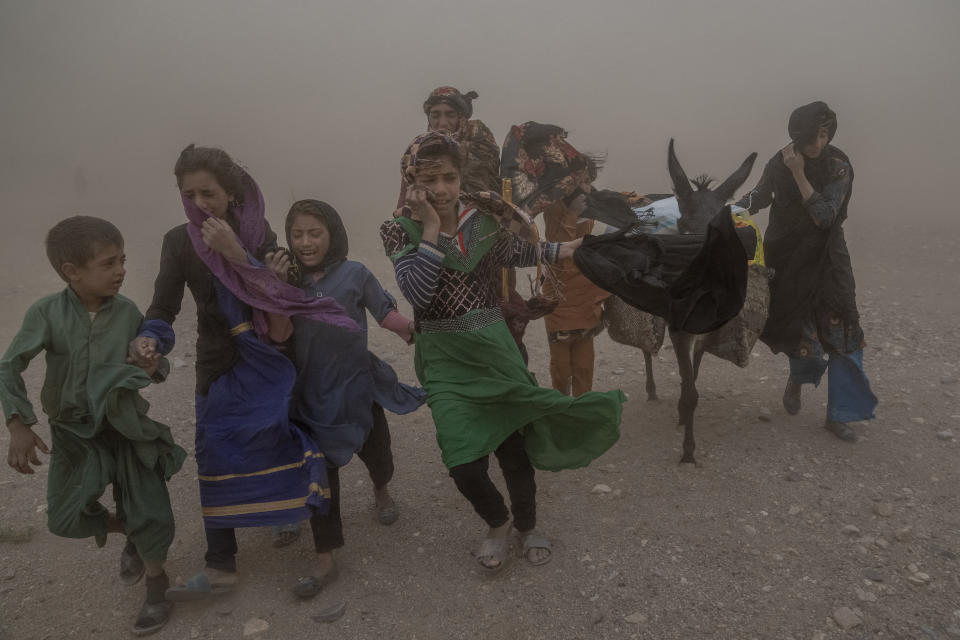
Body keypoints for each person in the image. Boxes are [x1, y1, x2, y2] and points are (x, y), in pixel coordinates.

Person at [380, 132, 624, 572]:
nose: (440, 188)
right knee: (462, 462)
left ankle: (527, 525)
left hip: (494, 349)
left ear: (460, 178)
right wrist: (432, 228)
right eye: (429, 178)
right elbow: (418, 289)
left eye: (449, 177)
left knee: (513, 449)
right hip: (444, 359)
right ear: (411, 180)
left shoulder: (486, 220)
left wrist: (567, 248)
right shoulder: (398, 228)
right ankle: (497, 522)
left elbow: (519, 252)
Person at [129, 145, 355, 600]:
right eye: (189, 194)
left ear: (231, 192)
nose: (199, 204)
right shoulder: (178, 241)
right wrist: (150, 339)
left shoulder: (258, 233)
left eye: (208, 193)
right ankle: (221, 565)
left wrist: (238, 254)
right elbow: (163, 306)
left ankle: (317, 545)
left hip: (271, 358)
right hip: (217, 362)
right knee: (216, 454)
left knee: (291, 442)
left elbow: (282, 297)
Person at [0, 216, 185, 636]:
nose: (121, 270)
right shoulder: (46, 313)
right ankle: (128, 532)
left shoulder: (128, 314)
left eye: (122, 259)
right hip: (72, 434)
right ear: (72, 272)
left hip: (125, 427)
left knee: (150, 507)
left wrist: (152, 361)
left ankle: (156, 583)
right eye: (108, 263)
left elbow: (156, 365)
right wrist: (18, 423)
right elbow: (9, 365)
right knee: (64, 517)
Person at [261, 199, 425, 591]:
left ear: (332, 233)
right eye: (297, 234)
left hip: (357, 387)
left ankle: (381, 489)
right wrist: (276, 289)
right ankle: (325, 558)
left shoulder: (355, 273)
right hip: (312, 396)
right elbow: (280, 334)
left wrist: (415, 332)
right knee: (320, 477)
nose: (305, 242)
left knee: (378, 452)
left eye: (314, 232)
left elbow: (385, 314)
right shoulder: (291, 283)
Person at [736, 101, 877, 442]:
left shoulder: (837, 165)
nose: (818, 144)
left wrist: (799, 173)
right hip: (786, 258)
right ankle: (798, 379)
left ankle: (839, 415)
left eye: (824, 135)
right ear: (797, 136)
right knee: (799, 330)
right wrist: (730, 208)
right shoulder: (778, 161)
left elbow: (825, 216)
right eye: (812, 137)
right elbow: (760, 195)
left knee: (842, 331)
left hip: (828, 259)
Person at [541, 190, 611, 396]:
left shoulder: (590, 208)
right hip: (559, 300)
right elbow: (558, 248)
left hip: (585, 300)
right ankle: (562, 408)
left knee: (584, 366)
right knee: (561, 369)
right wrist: (571, 212)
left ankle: (582, 411)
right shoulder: (554, 210)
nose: (586, 189)